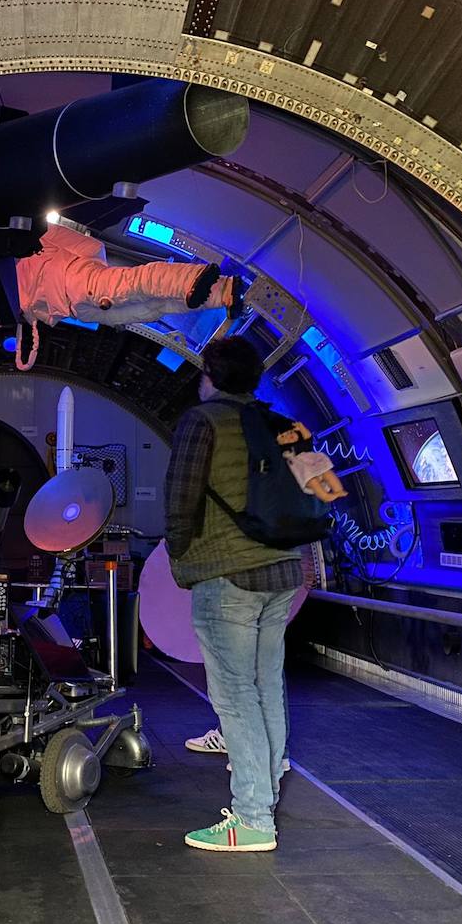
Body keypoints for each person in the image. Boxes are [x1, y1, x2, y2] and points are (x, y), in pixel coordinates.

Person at [165, 336, 309, 853]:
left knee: (234, 695)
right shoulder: (281, 423)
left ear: (208, 374)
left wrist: (182, 564)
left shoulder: (201, 423)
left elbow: (180, 501)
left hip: (227, 576)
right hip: (282, 574)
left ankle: (252, 819)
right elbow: (318, 491)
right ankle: (266, 791)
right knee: (267, 683)